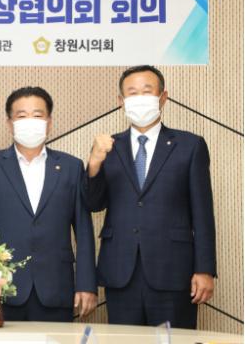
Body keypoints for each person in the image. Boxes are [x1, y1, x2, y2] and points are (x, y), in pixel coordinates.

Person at [85, 65, 216, 329]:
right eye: (132, 93)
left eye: (147, 91)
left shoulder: (190, 146)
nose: (140, 98)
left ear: (163, 97)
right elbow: (93, 203)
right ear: (121, 101)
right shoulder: (108, 146)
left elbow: (203, 212)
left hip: (173, 271)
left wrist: (205, 269)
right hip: (121, 270)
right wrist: (94, 163)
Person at [0, 86, 97, 322]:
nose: (30, 121)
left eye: (38, 115)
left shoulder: (71, 166)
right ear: (10, 123)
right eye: (22, 116)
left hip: (56, 287)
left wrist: (87, 284)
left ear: (49, 122)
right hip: (2, 286)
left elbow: (84, 229)